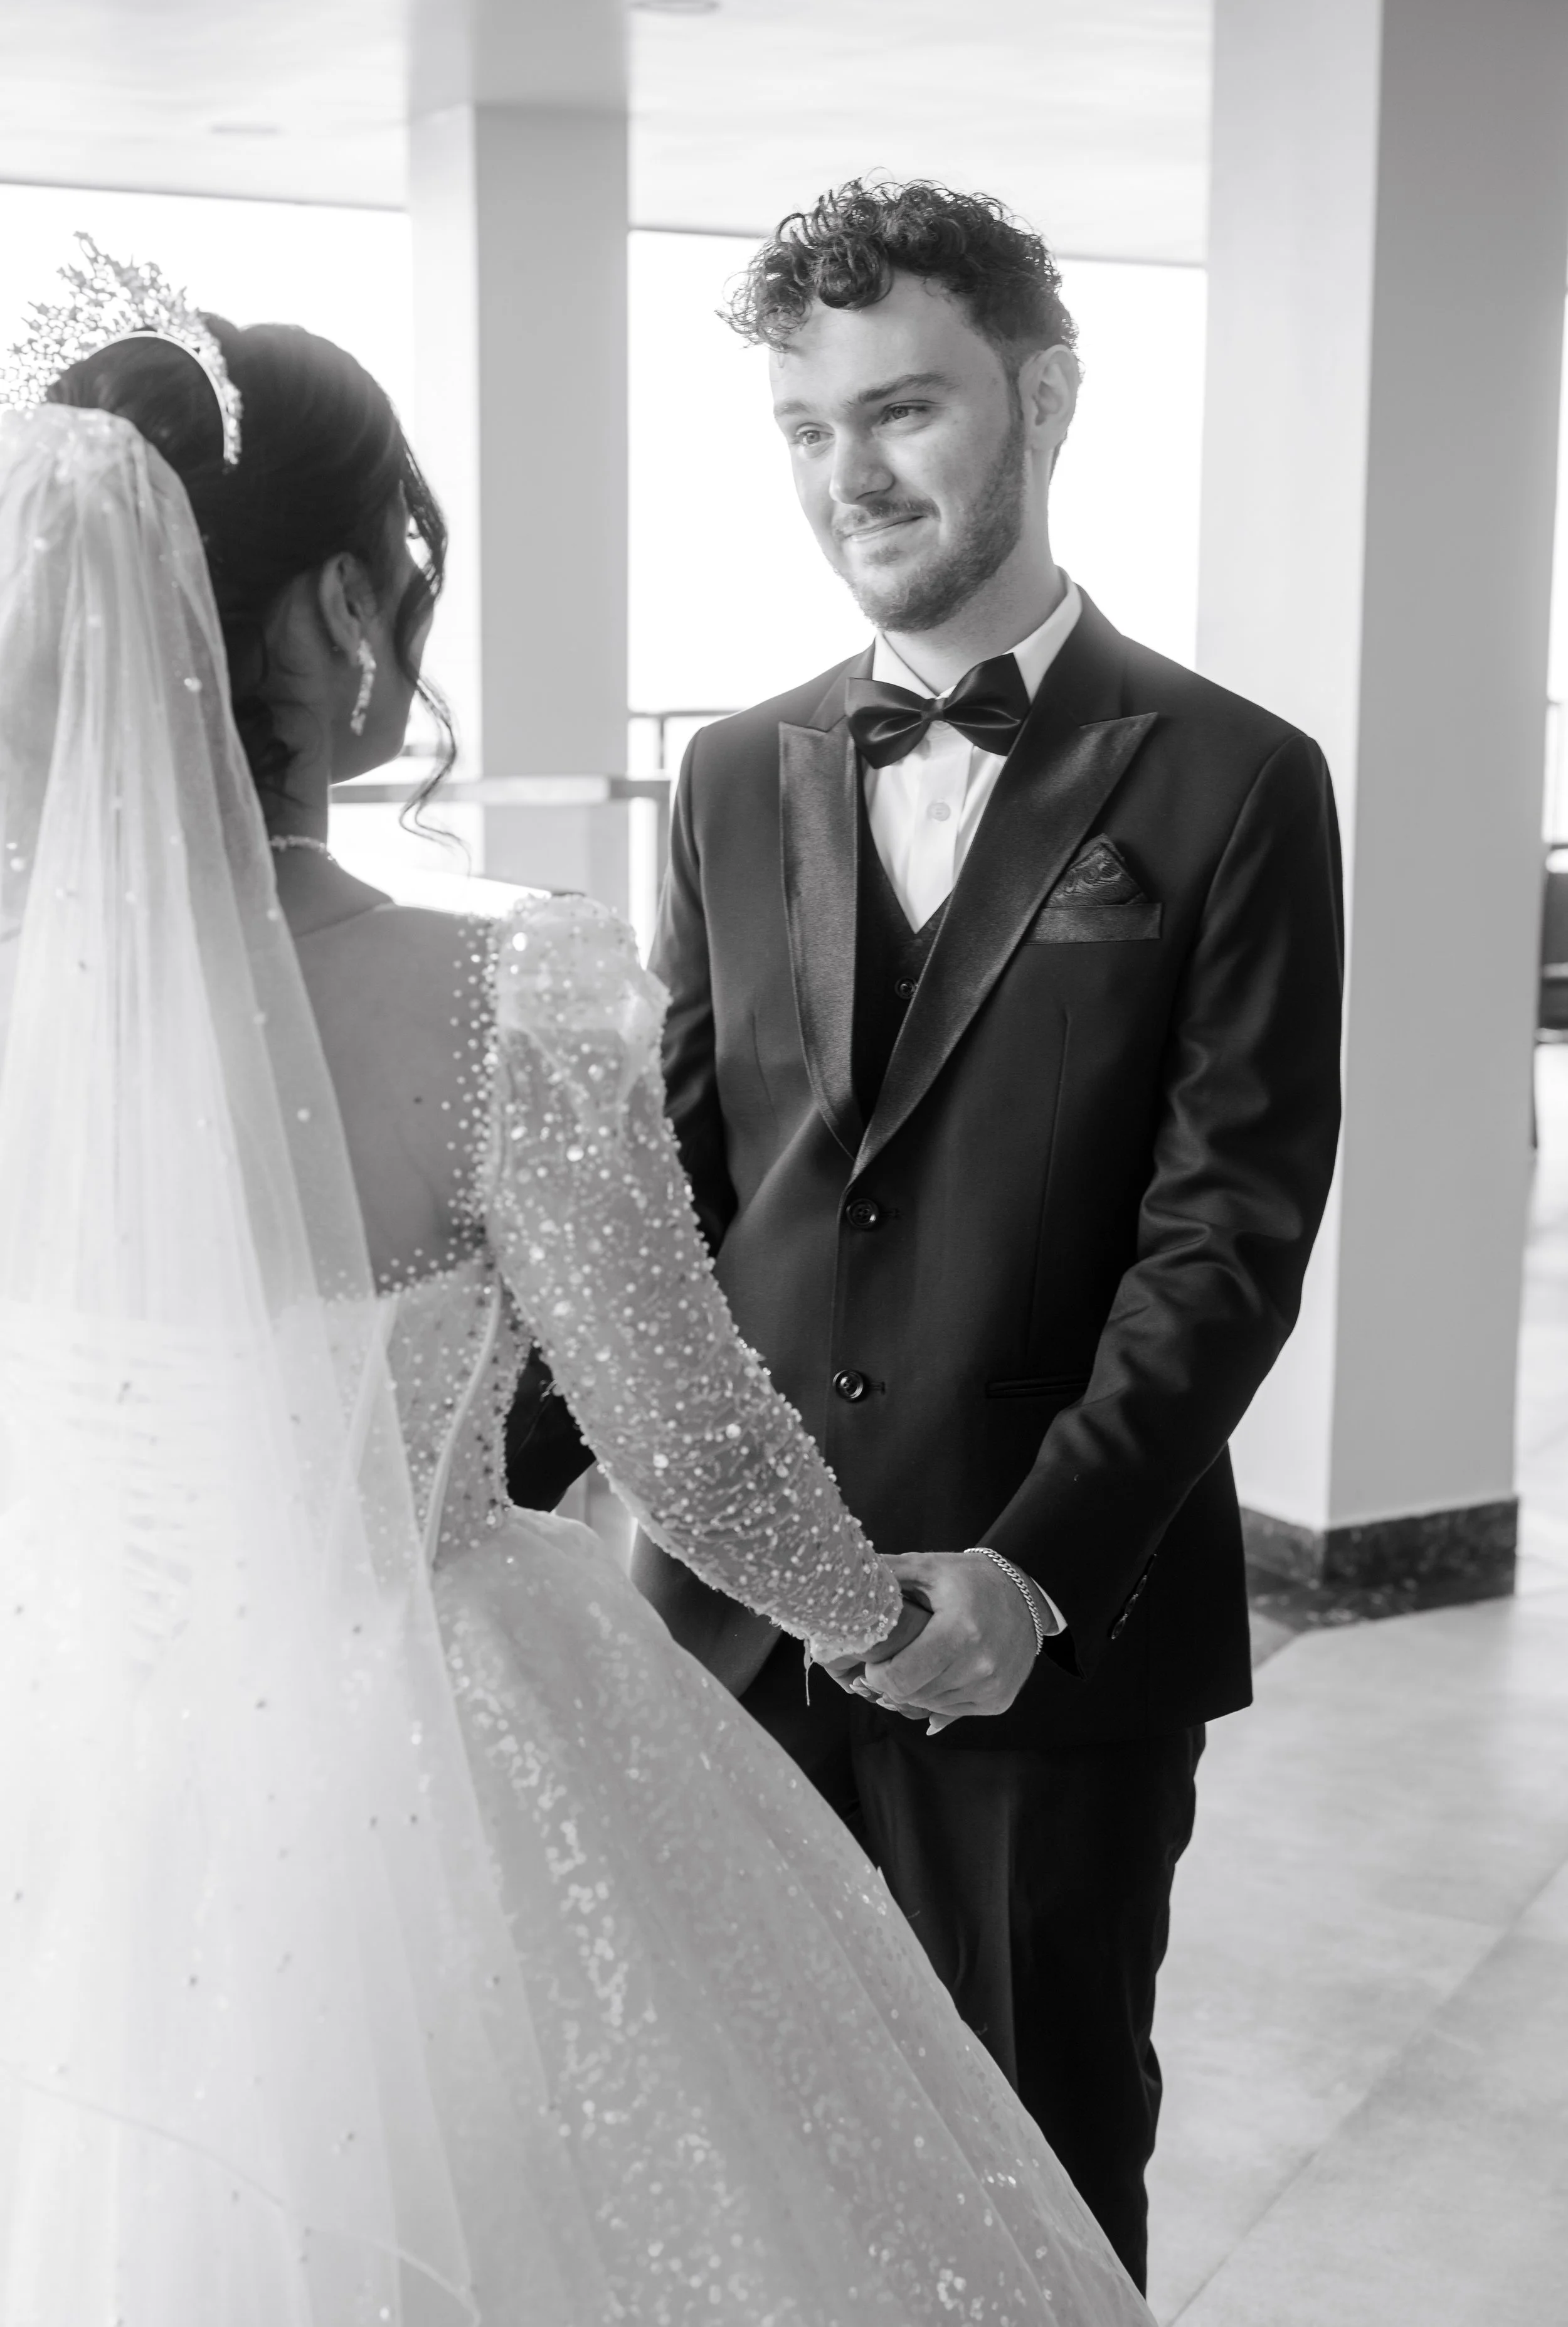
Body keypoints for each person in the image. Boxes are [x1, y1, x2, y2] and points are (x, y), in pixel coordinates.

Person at [0, 249, 1153, 2324]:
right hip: (439, 1758)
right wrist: (893, 1615)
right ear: (350, 606)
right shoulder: (492, 996)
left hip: (84, 1753)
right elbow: (692, 1438)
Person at [636, 179, 1344, 2290]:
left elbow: (1225, 1231)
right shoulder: (733, 769)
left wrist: (1029, 1574)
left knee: (1026, 2175)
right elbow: (687, 1183)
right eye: (801, 426)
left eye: (904, 407)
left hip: (1045, 1641)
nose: (849, 473)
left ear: (1042, 392)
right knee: (742, 2153)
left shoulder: (1234, 778)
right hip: (730, 1621)